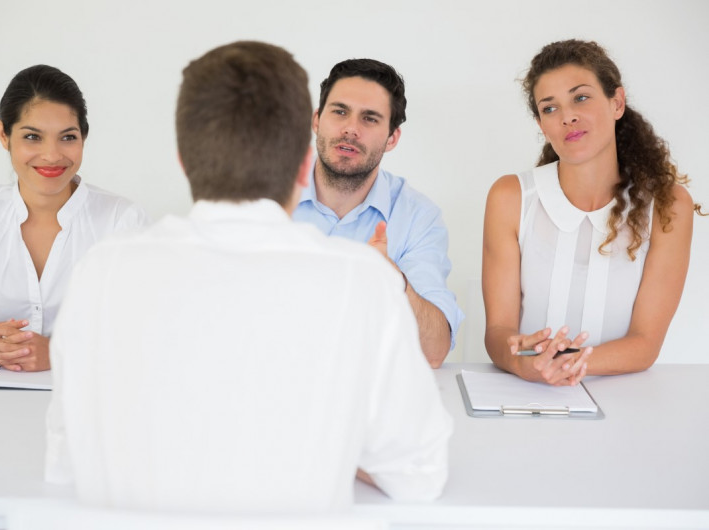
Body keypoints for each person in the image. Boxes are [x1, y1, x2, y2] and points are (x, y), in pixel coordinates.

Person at [45, 41, 452, 512]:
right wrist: (329, 438)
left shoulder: (100, 271)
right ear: (304, 164)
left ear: (183, 158)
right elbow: (420, 476)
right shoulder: (361, 281)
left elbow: (65, 461)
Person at [483, 39, 701, 386]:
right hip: (526, 394)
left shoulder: (668, 205)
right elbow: (497, 333)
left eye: (580, 97)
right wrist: (526, 363)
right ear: (541, 124)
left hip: (623, 401)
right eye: (549, 108)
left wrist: (561, 363)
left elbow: (645, 344)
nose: (567, 116)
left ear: (617, 103)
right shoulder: (510, 197)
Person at [0, 65, 147, 372]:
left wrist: (59, 353)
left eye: (68, 137)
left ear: (84, 136)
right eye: (33, 137)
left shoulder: (122, 220)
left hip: (88, 403)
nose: (52, 155)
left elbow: (137, 334)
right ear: (3, 134)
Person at [293, 59, 463, 368]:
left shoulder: (419, 217)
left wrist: (393, 279)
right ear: (317, 120)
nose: (351, 129)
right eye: (339, 111)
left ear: (392, 138)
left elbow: (434, 351)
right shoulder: (266, 197)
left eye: (370, 119)